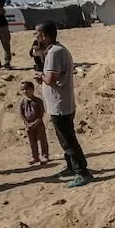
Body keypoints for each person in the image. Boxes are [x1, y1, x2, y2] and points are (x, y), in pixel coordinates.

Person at [35, 20, 92, 186]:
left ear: (43, 35)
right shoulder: (55, 50)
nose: (36, 38)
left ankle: (82, 172)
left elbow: (51, 78)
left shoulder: (55, 53)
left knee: (68, 141)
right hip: (61, 103)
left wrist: (40, 76)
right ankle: (71, 167)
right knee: (65, 139)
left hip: (59, 104)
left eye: (37, 34)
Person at [18, 80, 49, 165]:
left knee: (42, 140)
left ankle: (45, 156)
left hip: (38, 124)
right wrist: (27, 123)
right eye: (23, 89)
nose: (25, 91)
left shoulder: (38, 101)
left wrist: (36, 122)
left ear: (32, 89)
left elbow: (41, 113)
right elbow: (21, 113)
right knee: (32, 141)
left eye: (27, 89)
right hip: (28, 125)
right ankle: (35, 157)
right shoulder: (22, 102)